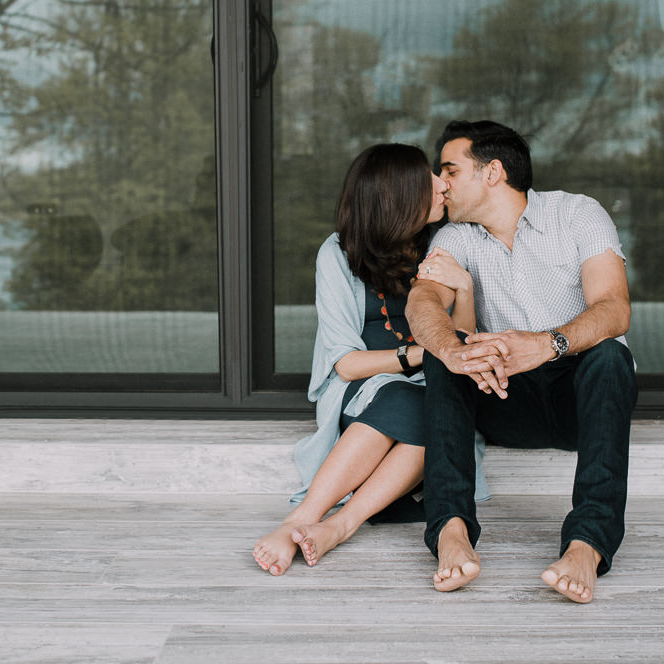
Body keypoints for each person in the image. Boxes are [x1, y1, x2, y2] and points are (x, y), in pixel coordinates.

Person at [407, 120, 636, 602]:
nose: (440, 183)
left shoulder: (577, 214)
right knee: (443, 356)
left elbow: (615, 309)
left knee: (611, 357)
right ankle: (451, 532)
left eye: (450, 169)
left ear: (492, 172)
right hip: (504, 394)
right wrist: (453, 349)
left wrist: (547, 343)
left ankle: (586, 544)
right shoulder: (456, 236)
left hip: (578, 392)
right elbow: (423, 301)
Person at [252, 143, 486, 576]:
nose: (442, 184)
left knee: (433, 409)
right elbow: (346, 365)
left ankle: (335, 526)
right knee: (416, 405)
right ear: (398, 196)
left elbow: (462, 342)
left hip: (432, 385)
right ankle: (303, 521)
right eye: (428, 180)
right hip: (363, 390)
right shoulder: (337, 254)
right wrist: (417, 354)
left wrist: (466, 290)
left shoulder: (442, 243)